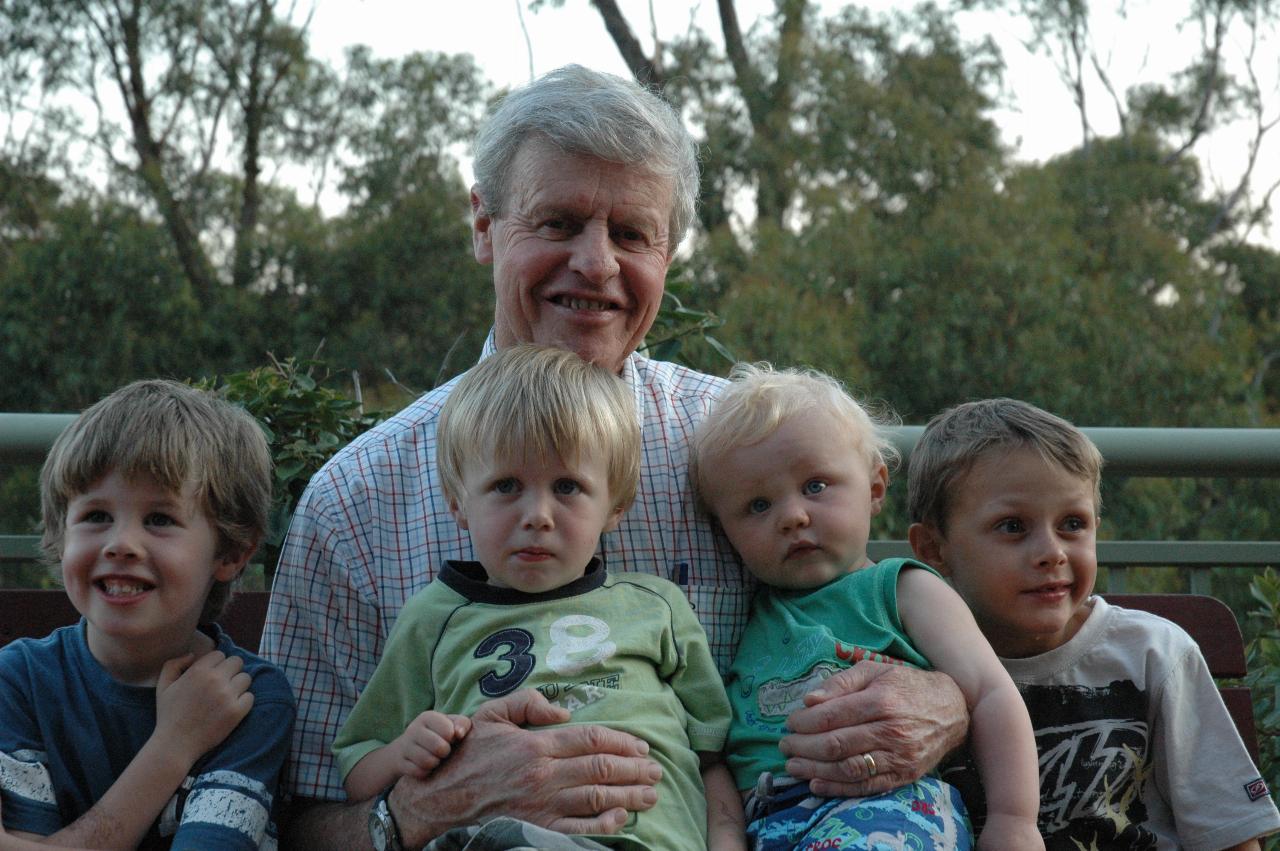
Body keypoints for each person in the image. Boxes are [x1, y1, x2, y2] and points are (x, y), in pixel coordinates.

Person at [262, 64, 968, 850]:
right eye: (559, 222)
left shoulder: (744, 452)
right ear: (483, 224)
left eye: (632, 233)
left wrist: (948, 700)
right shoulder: (356, 501)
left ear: (669, 254)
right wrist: (420, 811)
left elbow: (883, 614)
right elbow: (293, 815)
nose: (596, 264)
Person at [330, 344, 741, 849]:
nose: (537, 515)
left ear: (616, 504)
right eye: (506, 486)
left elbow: (714, 756)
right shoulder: (433, 619)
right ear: (459, 502)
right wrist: (401, 756)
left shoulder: (657, 606)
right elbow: (358, 767)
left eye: (567, 487)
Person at [690, 364, 1042, 851]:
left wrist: (1014, 819)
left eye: (816, 486)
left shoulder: (901, 590)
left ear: (875, 488)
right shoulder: (744, 618)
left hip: (887, 811)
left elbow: (989, 693)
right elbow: (725, 758)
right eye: (757, 506)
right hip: (768, 826)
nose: (792, 516)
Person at [906, 397, 1280, 850]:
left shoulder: (1153, 653)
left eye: (1072, 524)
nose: (1053, 551)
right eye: (1011, 527)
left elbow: (1230, 835)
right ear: (932, 547)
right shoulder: (912, 662)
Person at [0, 380, 295, 849]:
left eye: (160, 519)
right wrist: (173, 747)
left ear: (233, 552)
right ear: (60, 534)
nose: (120, 543)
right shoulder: (17, 680)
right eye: (95, 515)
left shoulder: (246, 699)